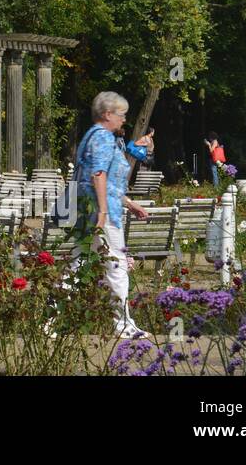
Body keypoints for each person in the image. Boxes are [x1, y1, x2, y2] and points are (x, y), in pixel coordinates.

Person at [72, 91, 154, 338]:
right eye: (121, 114)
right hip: (101, 212)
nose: (124, 120)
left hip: (91, 207)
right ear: (107, 114)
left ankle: (50, 319)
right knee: (116, 264)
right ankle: (123, 325)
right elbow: (98, 175)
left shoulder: (94, 137)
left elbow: (104, 180)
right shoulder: (103, 138)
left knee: (77, 264)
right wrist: (104, 211)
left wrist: (129, 203)